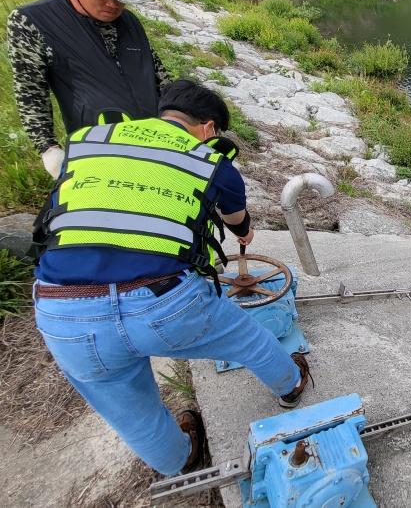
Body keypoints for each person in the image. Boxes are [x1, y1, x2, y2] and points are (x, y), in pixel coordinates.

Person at [30, 80, 312, 476]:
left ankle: (181, 459)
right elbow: (235, 218)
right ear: (210, 128)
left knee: (129, 408)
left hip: (63, 308)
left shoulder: (91, 139)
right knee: (250, 340)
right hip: (162, 305)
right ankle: (290, 385)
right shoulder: (209, 157)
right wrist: (243, 231)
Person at [8, 0, 172, 180]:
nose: (113, 3)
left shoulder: (129, 22)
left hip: (155, 144)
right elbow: (30, 90)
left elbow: (158, 74)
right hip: (99, 154)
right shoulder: (34, 21)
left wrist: (184, 114)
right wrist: (47, 147)